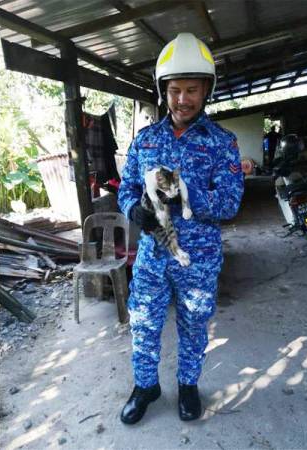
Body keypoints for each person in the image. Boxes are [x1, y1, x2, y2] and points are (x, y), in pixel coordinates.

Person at [117, 32, 244, 424]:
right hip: (153, 257)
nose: (183, 99)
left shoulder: (222, 142)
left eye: (192, 89)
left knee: (193, 324)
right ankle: (145, 386)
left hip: (198, 259)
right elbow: (127, 187)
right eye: (175, 90)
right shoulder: (145, 140)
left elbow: (230, 202)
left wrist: (187, 198)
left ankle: (188, 385)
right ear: (163, 91)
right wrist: (132, 211)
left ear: (206, 90)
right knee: (143, 323)